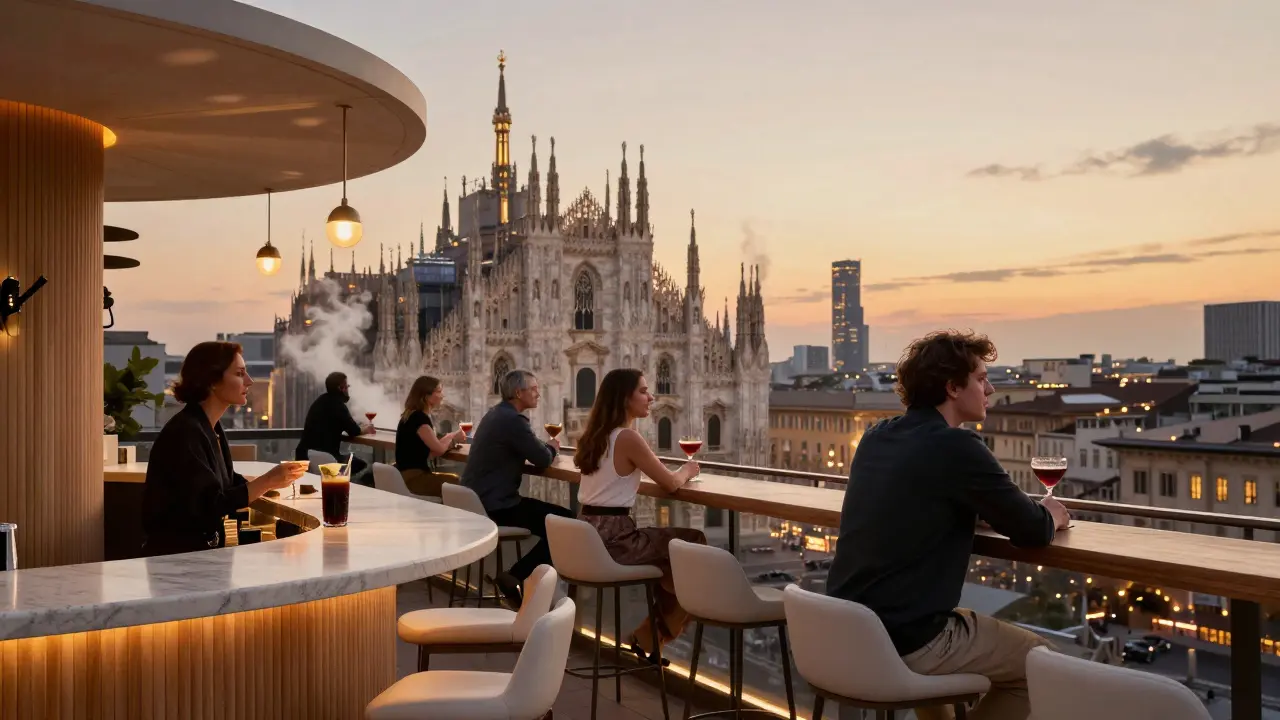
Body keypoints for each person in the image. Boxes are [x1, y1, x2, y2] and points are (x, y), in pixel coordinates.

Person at [825, 330, 1071, 720]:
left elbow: (918, 500)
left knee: (938, 667)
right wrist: (1053, 514)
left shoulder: (875, 437)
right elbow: (1031, 530)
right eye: (980, 378)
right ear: (953, 387)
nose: (990, 389)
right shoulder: (957, 446)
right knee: (1048, 668)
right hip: (909, 638)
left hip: (846, 629)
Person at [574, 368, 705, 662]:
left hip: (587, 537)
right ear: (624, 399)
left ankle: (653, 634)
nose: (652, 397)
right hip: (616, 540)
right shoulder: (628, 438)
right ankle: (655, 633)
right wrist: (688, 469)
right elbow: (671, 484)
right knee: (693, 544)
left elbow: (610, 480)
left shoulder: (596, 436)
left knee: (675, 555)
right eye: (644, 391)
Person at [143, 341, 304, 556]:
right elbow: (211, 504)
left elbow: (224, 481)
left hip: (197, 554)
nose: (249, 381)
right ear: (212, 381)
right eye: (240, 374)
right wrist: (266, 482)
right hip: (178, 561)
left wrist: (271, 484)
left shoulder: (209, 425)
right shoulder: (185, 433)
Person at [461, 369, 572, 606]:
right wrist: (553, 446)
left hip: (479, 501)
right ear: (518, 393)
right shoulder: (513, 420)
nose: (538, 393)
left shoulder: (495, 414)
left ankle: (516, 578)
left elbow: (526, 447)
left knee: (559, 523)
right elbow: (542, 458)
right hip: (497, 505)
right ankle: (517, 577)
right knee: (567, 525)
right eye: (533, 389)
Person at [295, 371, 376, 485]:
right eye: (347, 386)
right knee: (361, 464)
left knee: (350, 460)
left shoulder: (319, 401)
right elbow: (354, 431)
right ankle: (346, 487)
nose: (348, 389)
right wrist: (367, 429)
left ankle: (340, 486)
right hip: (328, 462)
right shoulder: (338, 405)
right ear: (341, 388)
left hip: (305, 457)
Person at [396, 375, 467, 496]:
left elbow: (430, 451)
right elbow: (439, 450)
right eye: (439, 391)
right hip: (414, 479)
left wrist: (450, 436)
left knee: (454, 483)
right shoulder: (419, 418)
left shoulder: (410, 416)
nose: (442, 395)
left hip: (403, 477)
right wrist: (454, 439)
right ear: (426, 396)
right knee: (457, 483)